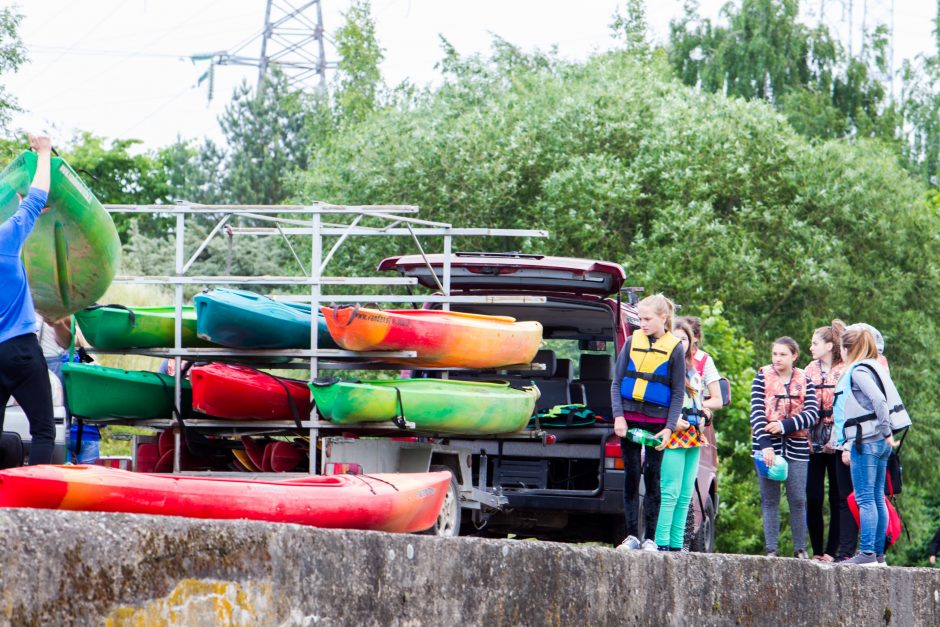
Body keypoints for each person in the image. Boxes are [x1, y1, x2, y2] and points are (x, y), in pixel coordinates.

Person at [611, 293, 686, 551]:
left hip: (657, 422)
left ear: (663, 318)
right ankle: (632, 535)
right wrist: (619, 416)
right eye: (640, 319)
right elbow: (617, 383)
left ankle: (651, 539)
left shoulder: (675, 347)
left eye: (647, 319)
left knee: (653, 477)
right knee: (631, 476)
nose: (642, 323)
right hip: (629, 419)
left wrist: (669, 427)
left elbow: (677, 392)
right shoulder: (631, 342)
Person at [0, 134, 56, 465]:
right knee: (44, 431)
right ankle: (37, 503)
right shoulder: (5, 239)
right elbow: (38, 197)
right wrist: (44, 151)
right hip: (20, 348)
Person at [832, 327, 902, 566]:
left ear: (847, 349)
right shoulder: (876, 367)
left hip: (867, 441)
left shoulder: (859, 370)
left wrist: (885, 431)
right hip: (880, 444)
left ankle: (868, 553)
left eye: (841, 348)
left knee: (865, 498)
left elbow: (879, 401)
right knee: (876, 497)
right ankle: (878, 555)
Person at [750, 337, 818, 558]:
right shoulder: (762, 377)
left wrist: (783, 425)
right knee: (770, 498)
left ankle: (800, 548)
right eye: (775, 354)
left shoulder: (805, 379)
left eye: (783, 355)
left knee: (798, 498)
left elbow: (811, 414)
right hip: (766, 445)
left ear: (794, 356)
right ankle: (771, 548)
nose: (777, 359)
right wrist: (766, 446)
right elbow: (757, 414)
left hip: (797, 445)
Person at [654, 319, 706, 551]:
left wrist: (705, 416)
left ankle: (676, 545)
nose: (680, 343)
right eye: (676, 338)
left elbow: (700, 401)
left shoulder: (693, 369)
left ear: (691, 342)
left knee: (685, 493)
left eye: (684, 339)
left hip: (694, 435)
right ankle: (662, 542)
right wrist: (671, 421)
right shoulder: (664, 366)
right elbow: (656, 399)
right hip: (672, 434)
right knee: (670, 491)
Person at [804, 321, 846, 562]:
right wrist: (807, 436)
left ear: (829, 345)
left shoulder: (845, 368)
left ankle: (833, 551)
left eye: (815, 343)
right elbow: (804, 402)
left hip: (837, 437)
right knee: (814, 494)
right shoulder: (810, 369)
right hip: (813, 438)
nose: (811, 347)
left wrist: (836, 437)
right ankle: (817, 550)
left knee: (838, 496)